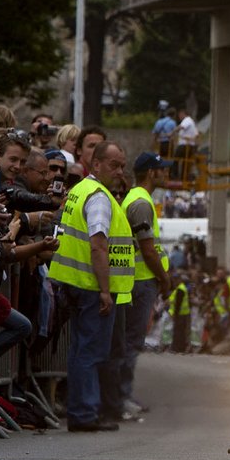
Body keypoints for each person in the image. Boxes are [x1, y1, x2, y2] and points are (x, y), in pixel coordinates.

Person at [49, 141, 136, 432]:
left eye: (123, 166)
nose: (119, 171)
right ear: (96, 164)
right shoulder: (99, 197)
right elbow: (98, 246)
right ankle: (85, 413)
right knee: (90, 352)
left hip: (74, 283)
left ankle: (80, 410)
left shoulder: (79, 191)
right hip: (90, 286)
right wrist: (104, 289)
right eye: (114, 165)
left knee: (78, 351)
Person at [117, 152, 174, 416]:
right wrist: (164, 279)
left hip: (139, 281)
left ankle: (122, 395)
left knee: (129, 341)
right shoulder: (140, 202)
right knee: (130, 342)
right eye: (162, 169)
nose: (166, 173)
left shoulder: (139, 199)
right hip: (140, 281)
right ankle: (121, 397)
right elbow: (148, 250)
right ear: (151, 173)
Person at [173, 109, 199, 182]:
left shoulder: (187, 120)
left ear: (183, 113)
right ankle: (183, 177)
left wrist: (172, 132)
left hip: (184, 145)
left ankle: (174, 176)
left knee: (175, 159)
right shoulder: (192, 122)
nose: (179, 117)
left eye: (179, 115)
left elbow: (181, 127)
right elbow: (197, 135)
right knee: (185, 162)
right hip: (190, 146)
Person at [168, 274, 191, 353]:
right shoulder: (182, 288)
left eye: (175, 280)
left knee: (178, 331)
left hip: (180, 314)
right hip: (184, 313)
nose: (174, 282)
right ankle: (181, 348)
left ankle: (177, 348)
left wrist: (175, 314)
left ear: (179, 280)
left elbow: (178, 303)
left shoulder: (180, 289)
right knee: (182, 331)